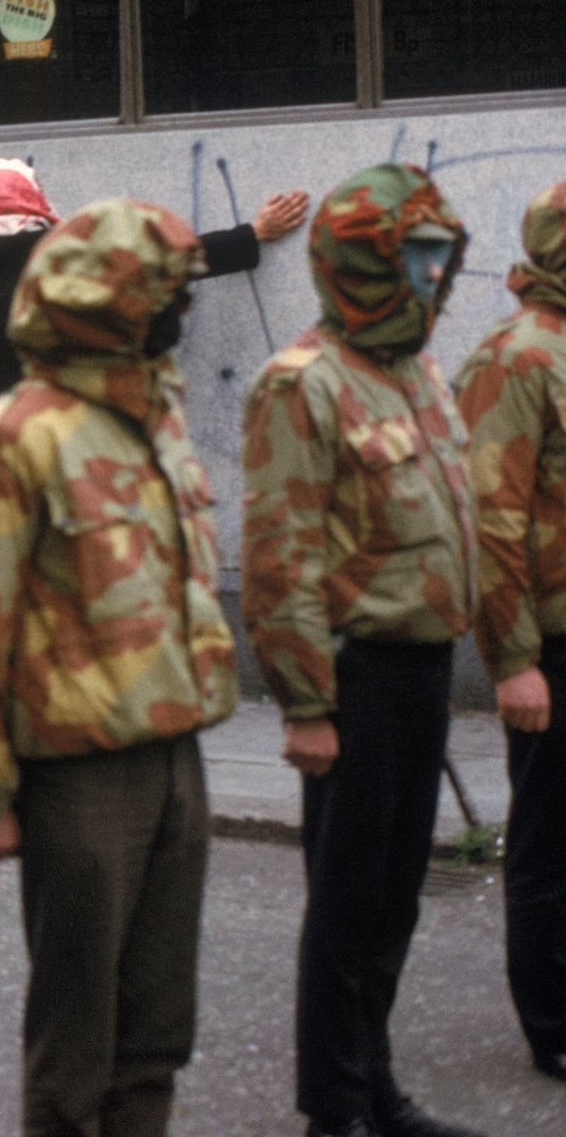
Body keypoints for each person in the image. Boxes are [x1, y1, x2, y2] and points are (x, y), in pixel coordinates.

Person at [0, 198, 238, 1136]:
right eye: (164, 295)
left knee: (158, 1030)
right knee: (78, 1044)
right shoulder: (16, 435)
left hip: (175, 755)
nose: (178, 313)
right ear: (113, 303)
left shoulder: (154, 413)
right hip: (79, 776)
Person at [242, 163, 486, 1137]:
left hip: (424, 669)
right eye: (413, 258)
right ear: (361, 263)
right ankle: (334, 1110)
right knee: (344, 911)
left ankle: (372, 1089)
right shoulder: (302, 383)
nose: (431, 278)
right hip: (354, 676)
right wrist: (303, 706)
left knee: (392, 904)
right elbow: (279, 560)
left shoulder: (412, 370)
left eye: (439, 258)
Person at [0, 158, 310, 447]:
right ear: (34, 200)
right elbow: (163, 258)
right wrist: (254, 234)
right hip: (43, 425)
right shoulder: (63, 254)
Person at [453, 178, 566, 1087]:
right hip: (555, 642)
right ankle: (554, 1027)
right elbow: (492, 520)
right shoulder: (518, 359)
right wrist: (515, 659)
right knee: (548, 845)